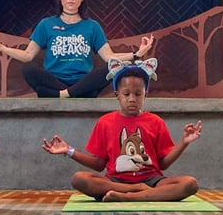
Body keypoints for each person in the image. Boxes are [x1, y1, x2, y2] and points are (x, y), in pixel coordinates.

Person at [42, 58, 202, 202]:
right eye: (127, 94)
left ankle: (129, 197)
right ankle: (135, 191)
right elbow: (99, 165)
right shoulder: (105, 122)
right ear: (117, 95)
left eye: (138, 94)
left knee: (190, 184)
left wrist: (183, 142)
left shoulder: (156, 122)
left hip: (151, 181)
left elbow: (162, 164)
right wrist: (68, 151)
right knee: (79, 179)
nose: (132, 99)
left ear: (145, 94)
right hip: (115, 181)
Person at [0, 0, 155, 98]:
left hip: (82, 81)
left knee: (111, 68)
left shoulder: (92, 26)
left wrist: (136, 54)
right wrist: (1, 47)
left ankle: (61, 95)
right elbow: (28, 56)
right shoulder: (46, 24)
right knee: (28, 68)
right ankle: (77, 94)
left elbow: (109, 57)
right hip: (54, 80)